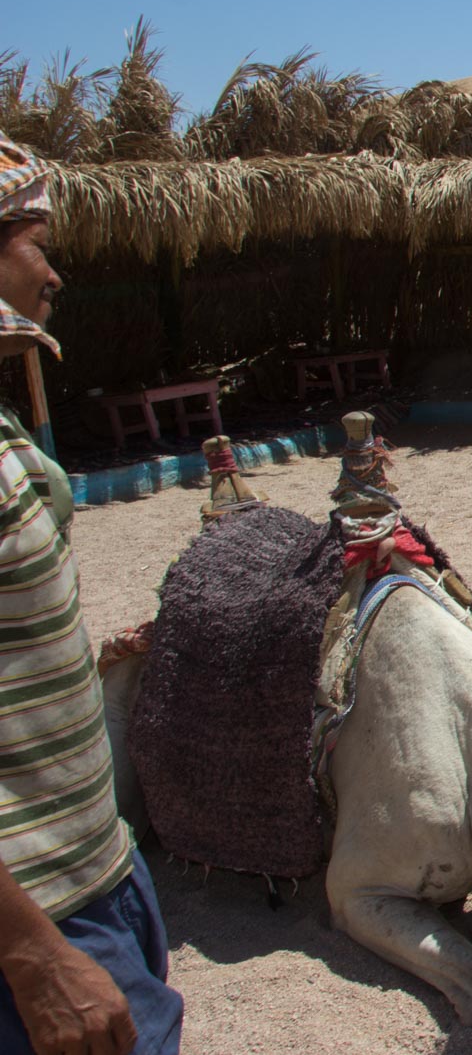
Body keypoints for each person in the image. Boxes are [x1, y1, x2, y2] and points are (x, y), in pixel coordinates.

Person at [0, 135, 183, 1054]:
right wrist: (31, 952)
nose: (54, 272)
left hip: (92, 871)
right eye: (35, 242)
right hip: (39, 915)